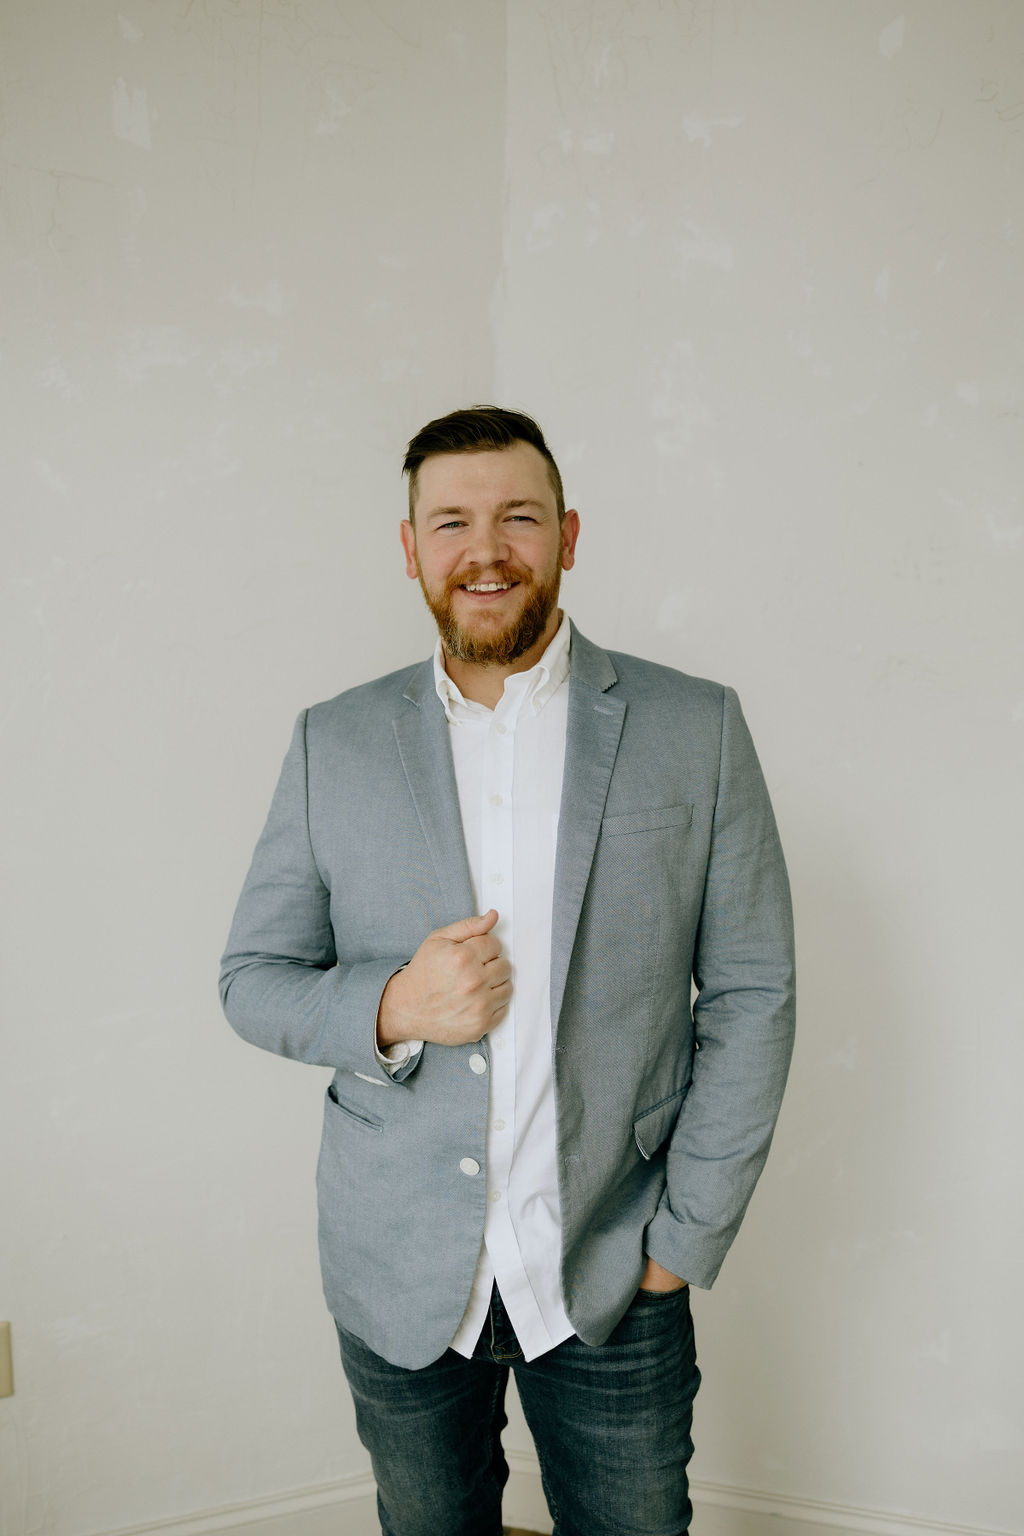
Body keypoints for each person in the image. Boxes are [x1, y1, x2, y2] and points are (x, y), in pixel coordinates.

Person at [219, 405, 795, 1536]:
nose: (485, 550)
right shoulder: (329, 741)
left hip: (616, 1264)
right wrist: (392, 1005)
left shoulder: (697, 728)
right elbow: (253, 975)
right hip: (396, 1271)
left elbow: (751, 995)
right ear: (410, 549)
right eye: (451, 522)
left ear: (568, 535)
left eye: (517, 517)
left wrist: (682, 1243)